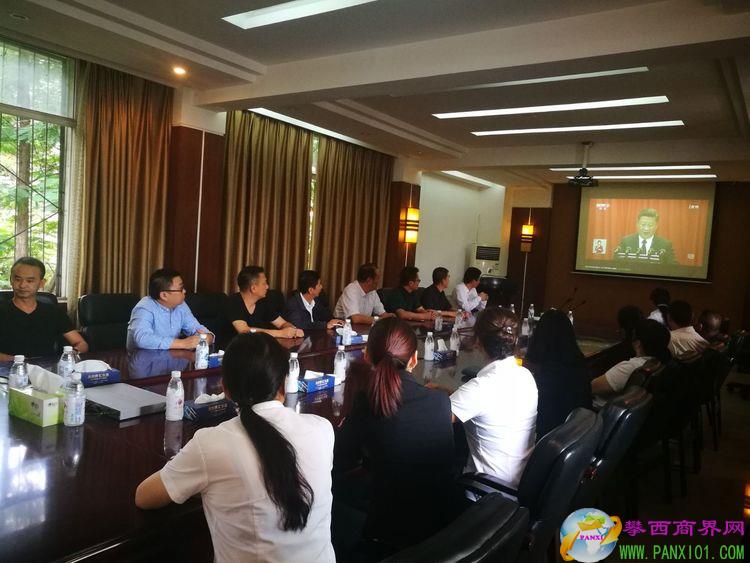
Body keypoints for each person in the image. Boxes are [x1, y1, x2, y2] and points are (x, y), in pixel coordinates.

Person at [135, 333, 335, 562]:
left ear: (225, 389)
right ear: (284, 383)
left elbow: (144, 497)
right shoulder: (322, 429)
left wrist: (195, 477)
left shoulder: (211, 444)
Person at [334, 318, 459, 551]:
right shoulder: (441, 401)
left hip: (391, 534)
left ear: (367, 356)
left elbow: (339, 461)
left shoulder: (368, 404)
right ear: (414, 359)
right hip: (442, 526)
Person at [448, 308, 537, 487]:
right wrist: (447, 392)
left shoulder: (480, 388)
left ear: (477, 342)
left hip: (486, 491)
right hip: (521, 482)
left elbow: (434, 420)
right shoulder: (525, 375)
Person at [0, 257, 88, 360]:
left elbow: (81, 343)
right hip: (7, 367)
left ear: (41, 283)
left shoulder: (53, 312)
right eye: (18, 279)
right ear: (11, 280)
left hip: (46, 367)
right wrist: (20, 362)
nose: (23, 285)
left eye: (30, 281)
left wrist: (71, 354)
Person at [525, 309, 592, 439]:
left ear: (540, 337)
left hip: (550, 439)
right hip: (579, 436)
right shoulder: (578, 362)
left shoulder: (549, 377)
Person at [126, 268, 213, 351]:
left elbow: (197, 329)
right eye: (180, 289)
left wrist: (208, 337)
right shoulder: (144, 307)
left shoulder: (181, 305)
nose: (184, 291)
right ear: (164, 295)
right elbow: (142, 339)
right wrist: (183, 343)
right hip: (143, 359)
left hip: (171, 358)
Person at [591, 319, 671, 407]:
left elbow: (590, 388)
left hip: (597, 409)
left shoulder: (629, 367)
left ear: (637, 343)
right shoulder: (659, 362)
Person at [225, 266, 303, 339]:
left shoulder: (263, 302)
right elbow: (244, 331)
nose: (267, 287)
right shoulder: (233, 302)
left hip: (259, 346)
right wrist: (281, 333)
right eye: (264, 283)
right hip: (235, 347)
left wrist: (292, 330)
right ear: (253, 288)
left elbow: (282, 323)